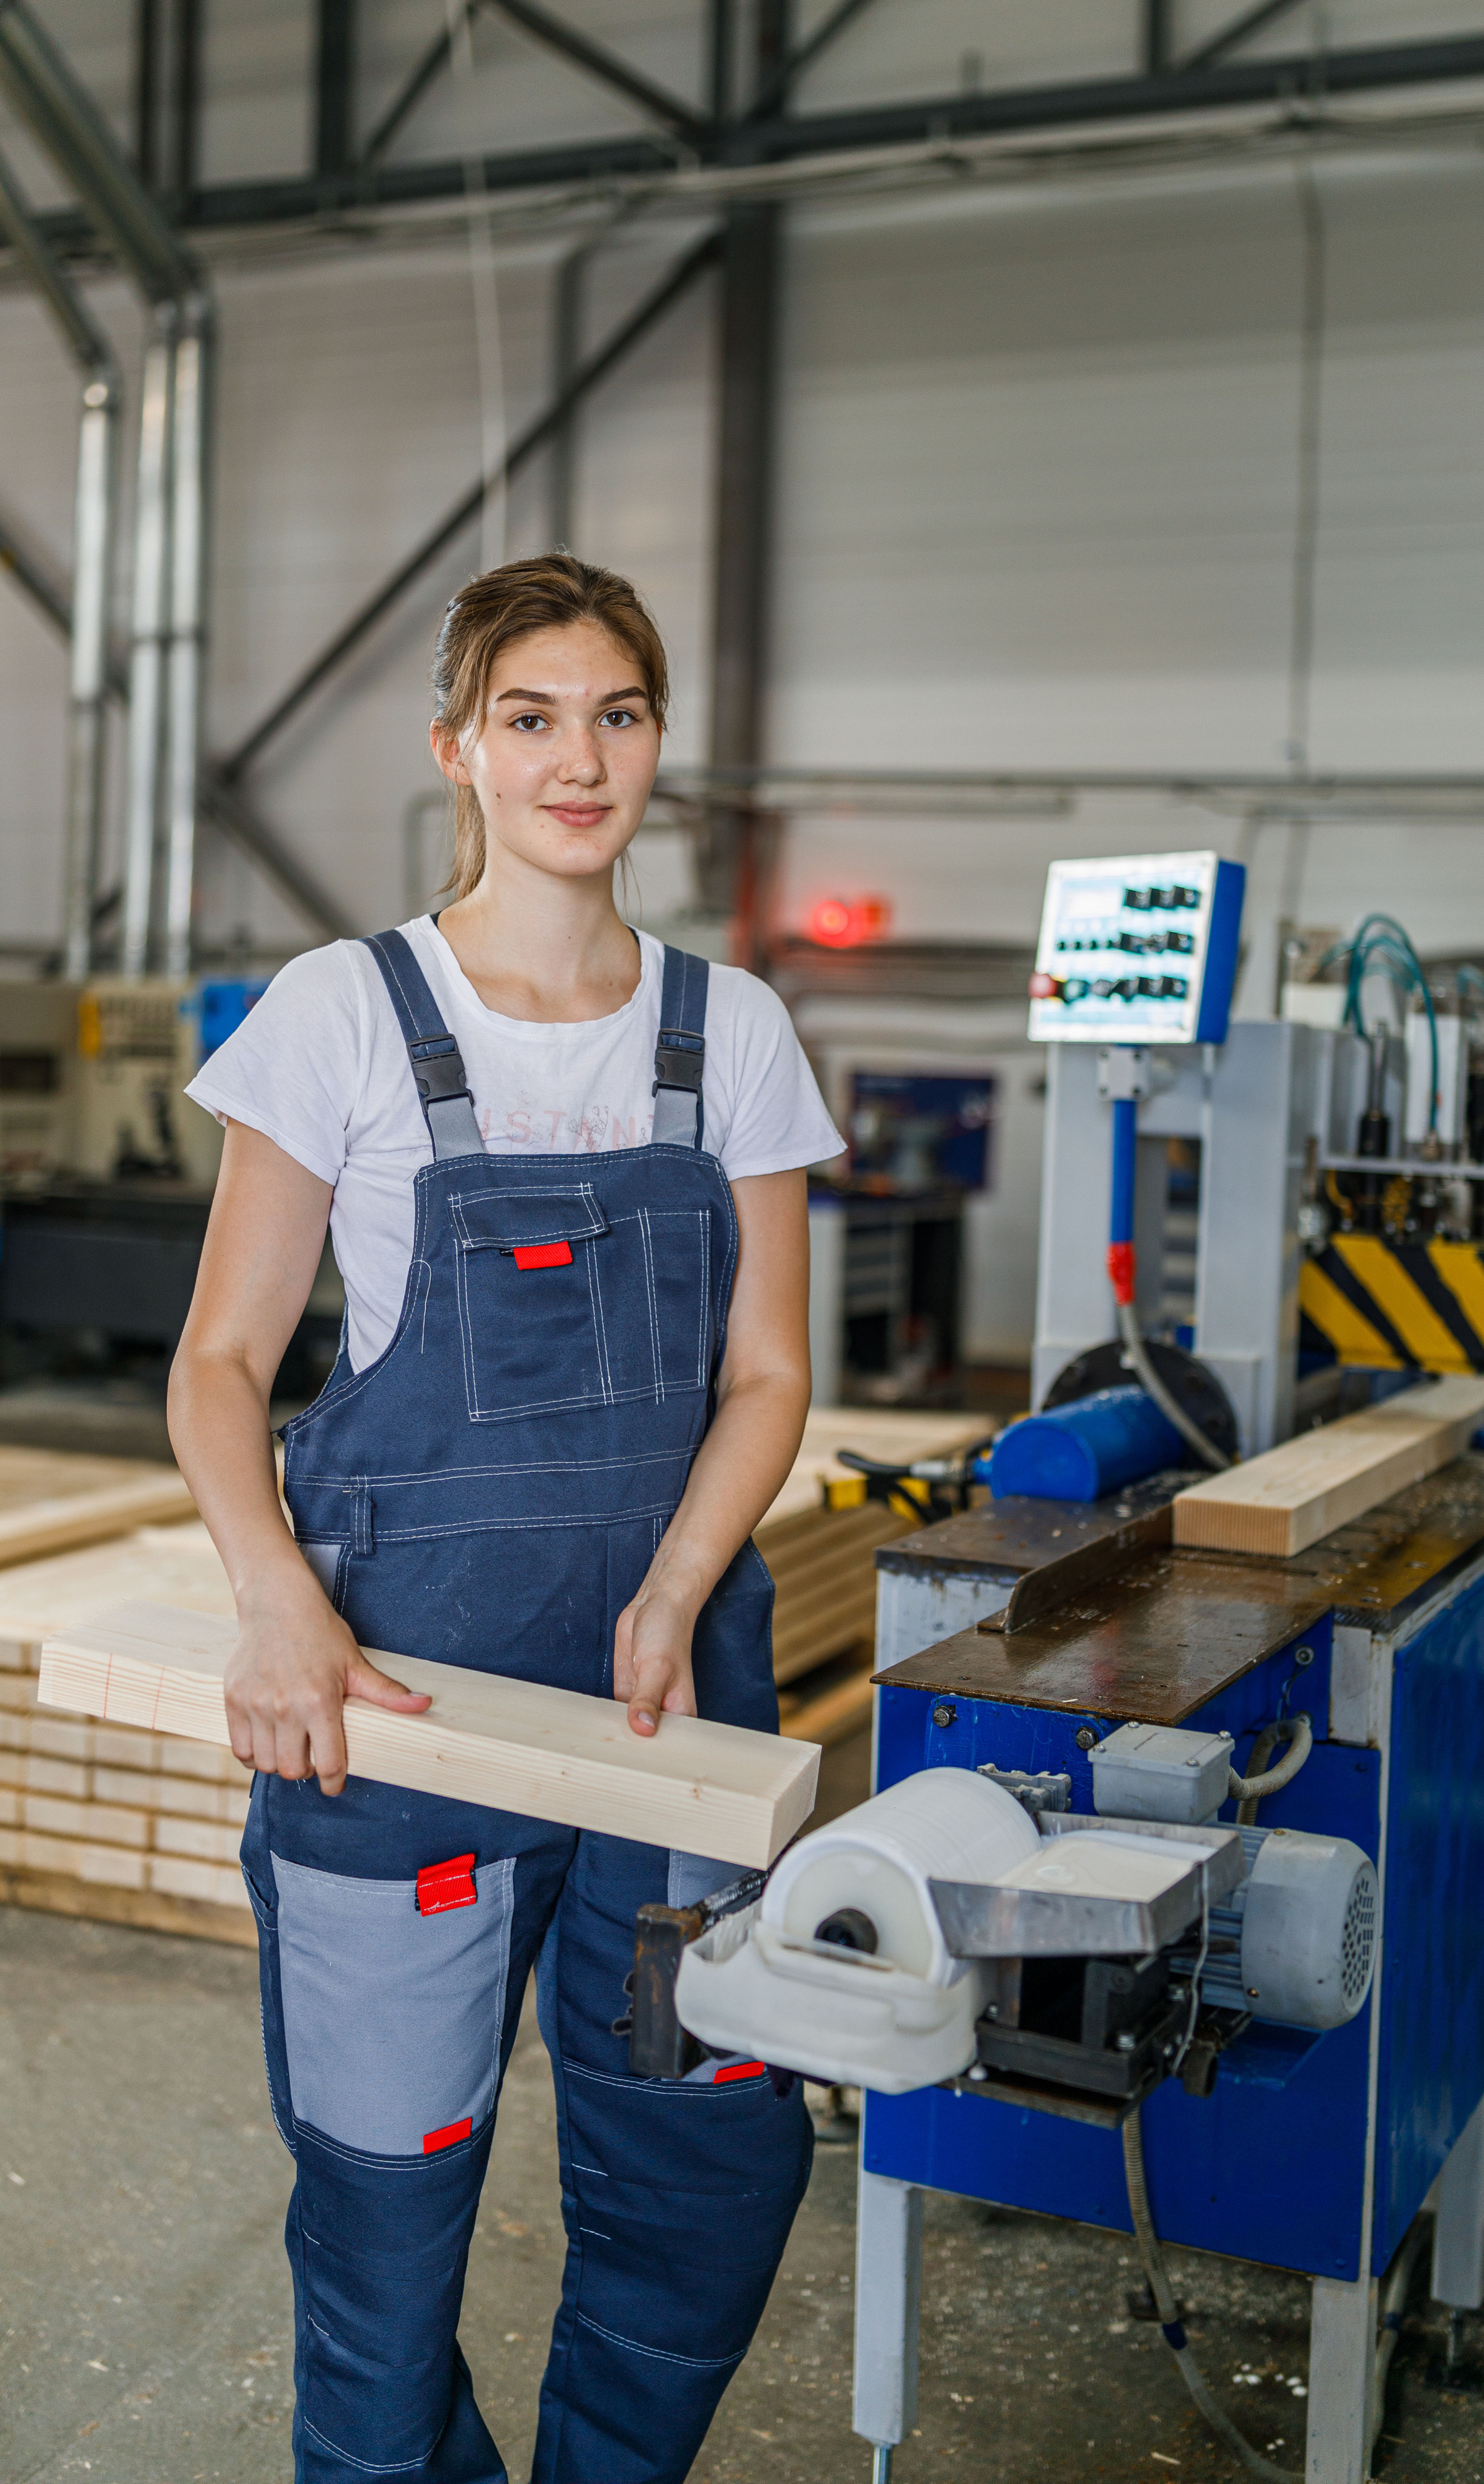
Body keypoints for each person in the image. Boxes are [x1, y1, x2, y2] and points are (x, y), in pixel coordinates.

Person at [168, 552, 844, 2484]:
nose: (580, 758)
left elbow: (770, 1376)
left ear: (657, 747)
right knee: (387, 2214)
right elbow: (220, 1368)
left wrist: (685, 1576)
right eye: (533, 717)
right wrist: (278, 1607)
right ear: (458, 746)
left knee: (699, 2186)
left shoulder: (735, 1032)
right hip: (399, 1714)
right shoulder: (344, 1013)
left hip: (664, 1713)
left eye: (618, 716)